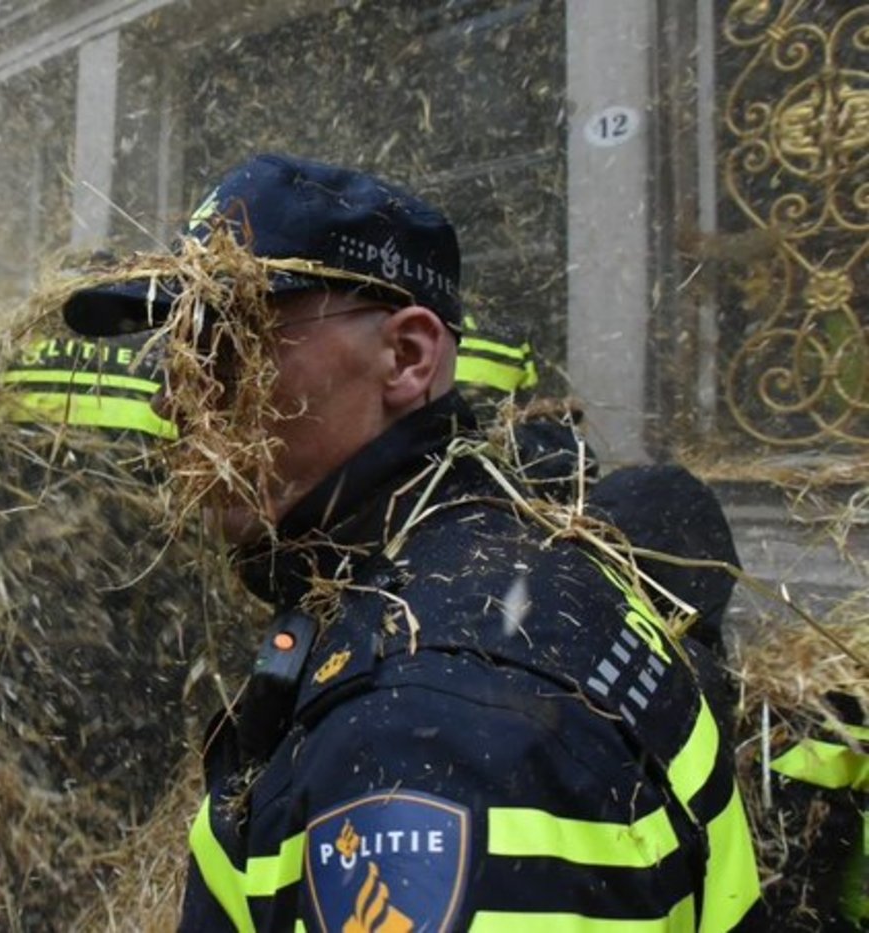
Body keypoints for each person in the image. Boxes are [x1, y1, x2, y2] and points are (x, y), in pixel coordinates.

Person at [63, 153, 762, 929]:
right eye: (174, 351)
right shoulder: (481, 563)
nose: (172, 395)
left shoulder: (422, 728)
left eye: (227, 341)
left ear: (406, 356)